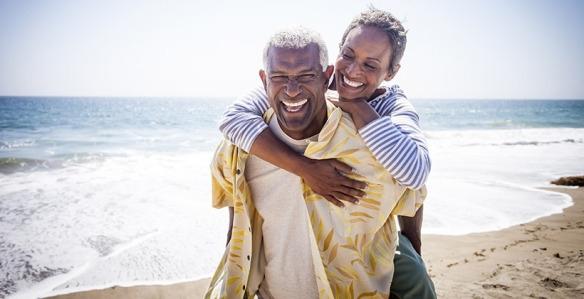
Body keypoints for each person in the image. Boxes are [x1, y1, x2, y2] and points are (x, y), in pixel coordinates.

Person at [218, 8, 434, 299]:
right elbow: (233, 120)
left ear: (391, 72)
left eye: (371, 65)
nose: (354, 71)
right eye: (349, 55)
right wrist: (305, 169)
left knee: (412, 272)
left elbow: (414, 173)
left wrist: (356, 106)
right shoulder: (312, 82)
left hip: (372, 230)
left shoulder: (391, 107)